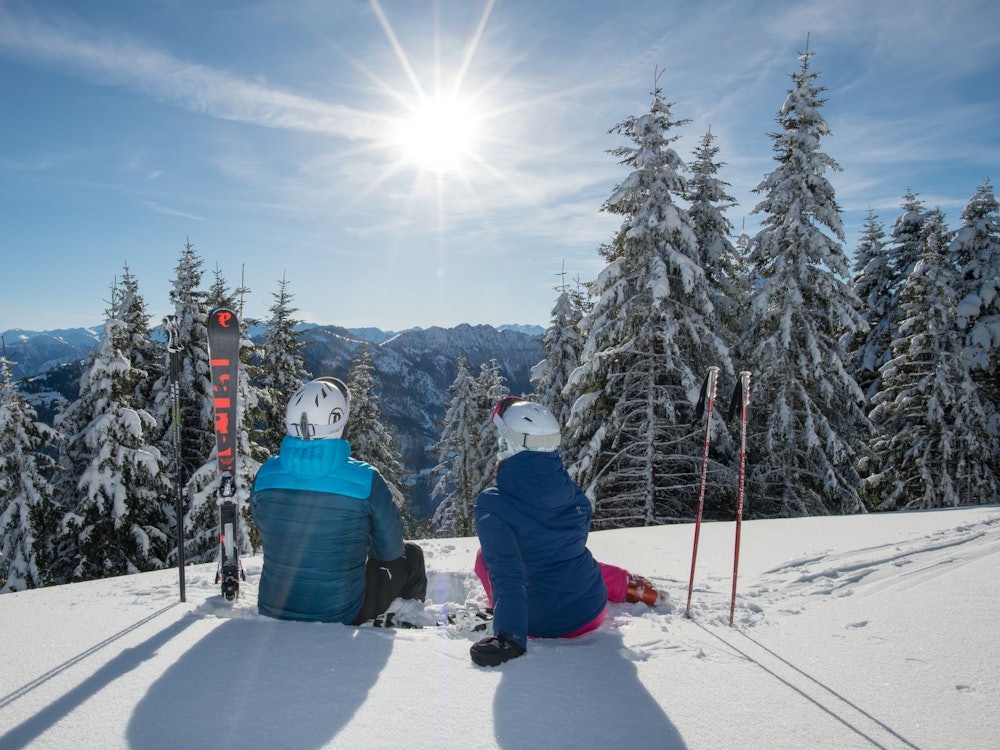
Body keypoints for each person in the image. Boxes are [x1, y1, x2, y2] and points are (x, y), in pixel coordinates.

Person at [470, 396, 665, 667]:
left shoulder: (493, 503)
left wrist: (510, 638)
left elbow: (507, 573)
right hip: (591, 608)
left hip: (543, 623)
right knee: (565, 554)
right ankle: (623, 584)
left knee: (484, 558)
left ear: (509, 444)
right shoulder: (571, 492)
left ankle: (616, 584)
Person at [250, 376, 426, 624]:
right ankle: (411, 613)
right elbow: (391, 550)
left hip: (272, 609)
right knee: (412, 556)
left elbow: (265, 525)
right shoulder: (366, 479)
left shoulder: (265, 475)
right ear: (340, 423)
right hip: (342, 612)